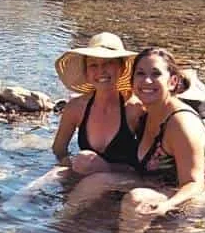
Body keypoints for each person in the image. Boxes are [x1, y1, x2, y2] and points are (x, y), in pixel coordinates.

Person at [88, 47, 205, 233]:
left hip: (198, 197)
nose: (147, 81)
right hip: (160, 184)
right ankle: (55, 225)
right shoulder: (145, 114)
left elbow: (194, 183)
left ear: (172, 82)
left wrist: (167, 205)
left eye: (155, 74)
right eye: (140, 74)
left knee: (137, 197)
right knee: (96, 180)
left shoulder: (181, 123)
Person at [50, 32, 144, 175]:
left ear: (122, 68)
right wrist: (70, 163)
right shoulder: (76, 108)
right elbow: (59, 150)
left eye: (108, 63)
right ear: (86, 72)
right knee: (30, 192)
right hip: (84, 177)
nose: (101, 71)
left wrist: (107, 169)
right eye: (93, 65)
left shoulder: (135, 109)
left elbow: (148, 164)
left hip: (123, 182)